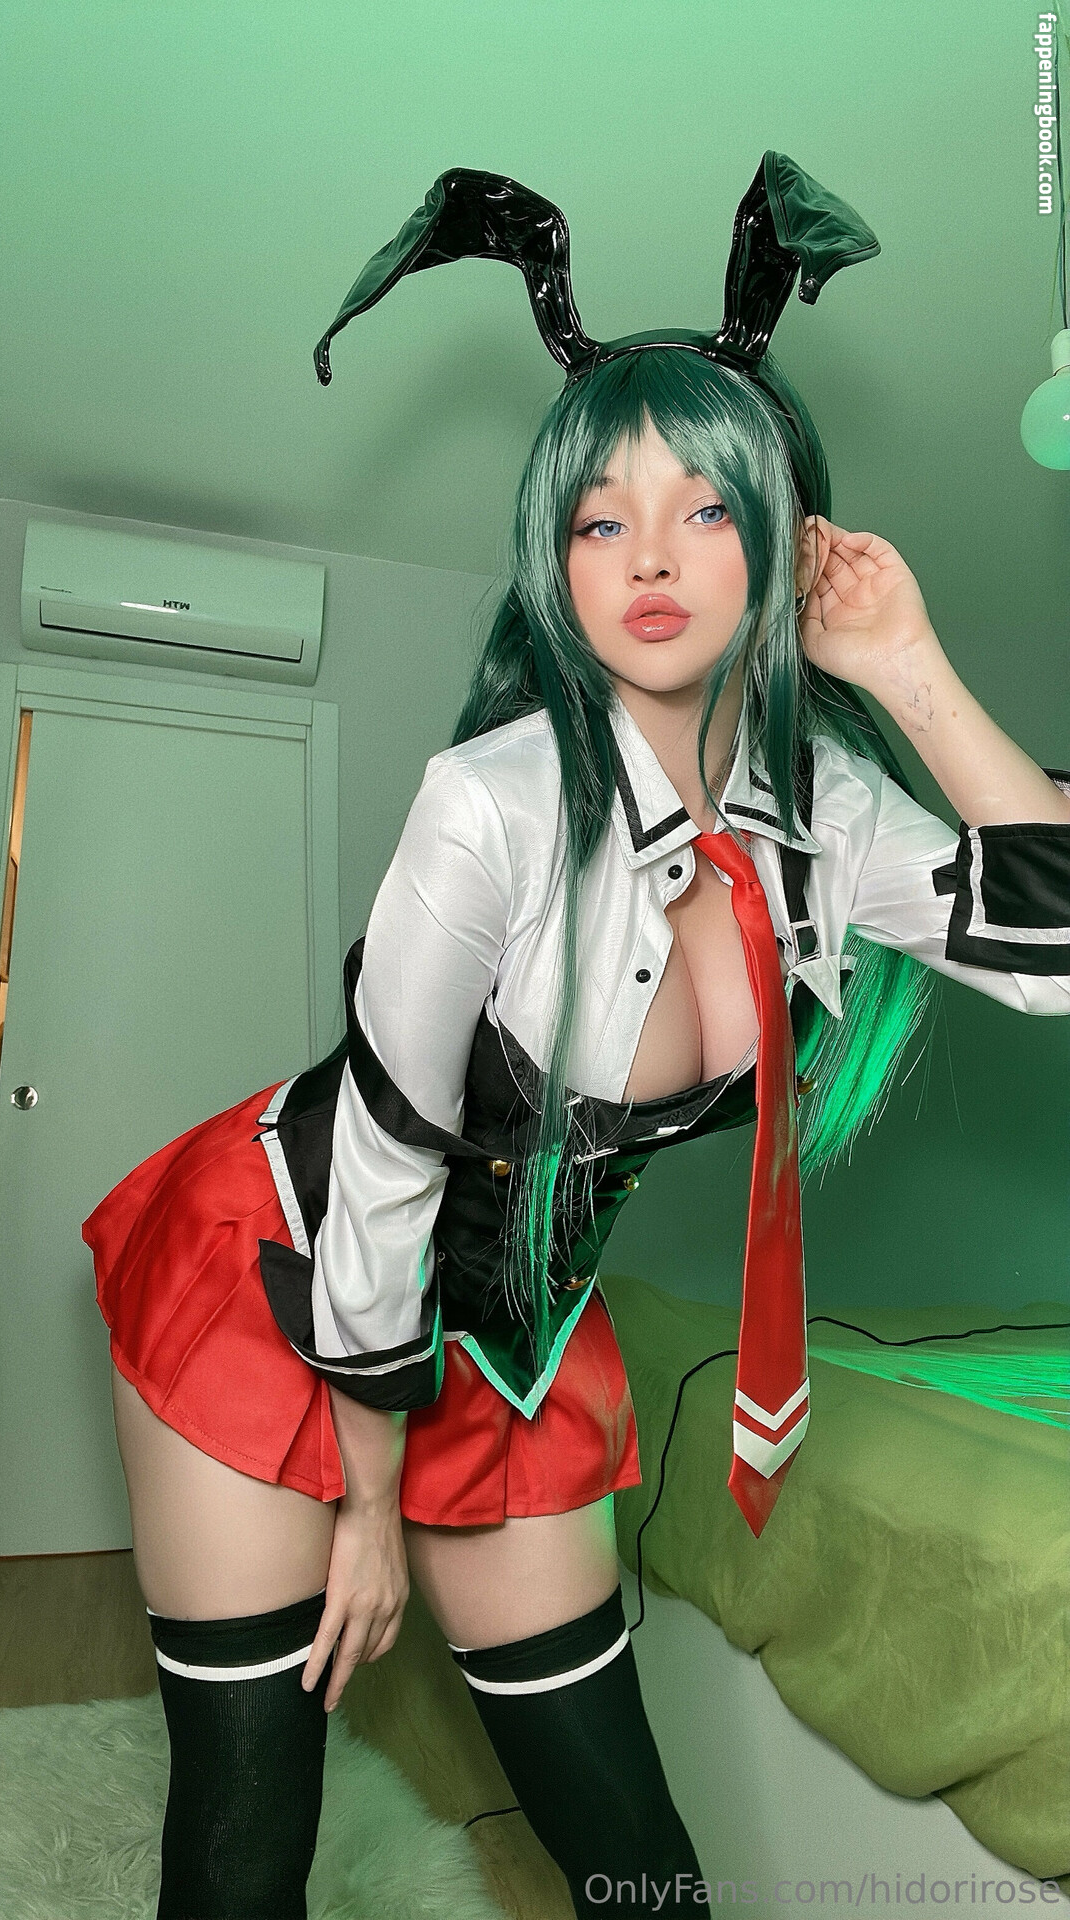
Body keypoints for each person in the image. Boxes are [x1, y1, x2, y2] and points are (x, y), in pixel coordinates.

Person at [83, 160, 1070, 1920]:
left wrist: (906, 667)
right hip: (287, 1271)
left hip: (519, 1345)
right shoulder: (492, 800)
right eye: (600, 521)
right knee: (245, 1843)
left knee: (635, 1863)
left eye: (706, 507)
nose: (652, 557)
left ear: (782, 539)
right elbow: (388, 1157)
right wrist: (367, 1504)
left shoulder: (821, 809)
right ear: (556, 561)